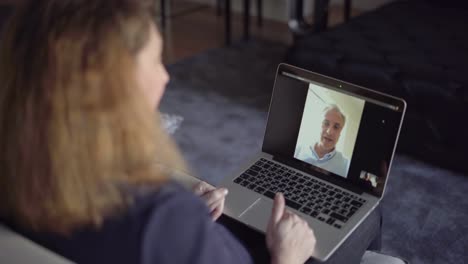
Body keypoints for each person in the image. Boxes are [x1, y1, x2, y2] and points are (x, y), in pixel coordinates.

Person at [0, 1, 316, 264]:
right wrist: (288, 256)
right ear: (113, 87)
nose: (165, 77)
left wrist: (183, 224)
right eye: (154, 61)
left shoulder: (19, 171)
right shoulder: (160, 217)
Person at [295, 104, 350, 178]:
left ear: (340, 133)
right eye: (326, 123)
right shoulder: (297, 149)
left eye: (336, 127)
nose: (329, 132)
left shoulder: (346, 166)